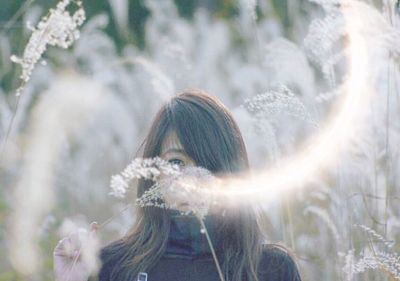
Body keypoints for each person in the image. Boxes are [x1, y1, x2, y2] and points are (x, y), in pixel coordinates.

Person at [54, 89, 302, 281]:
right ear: (154, 173)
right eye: (176, 162)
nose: (192, 179)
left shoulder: (269, 269)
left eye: (208, 166)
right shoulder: (116, 266)